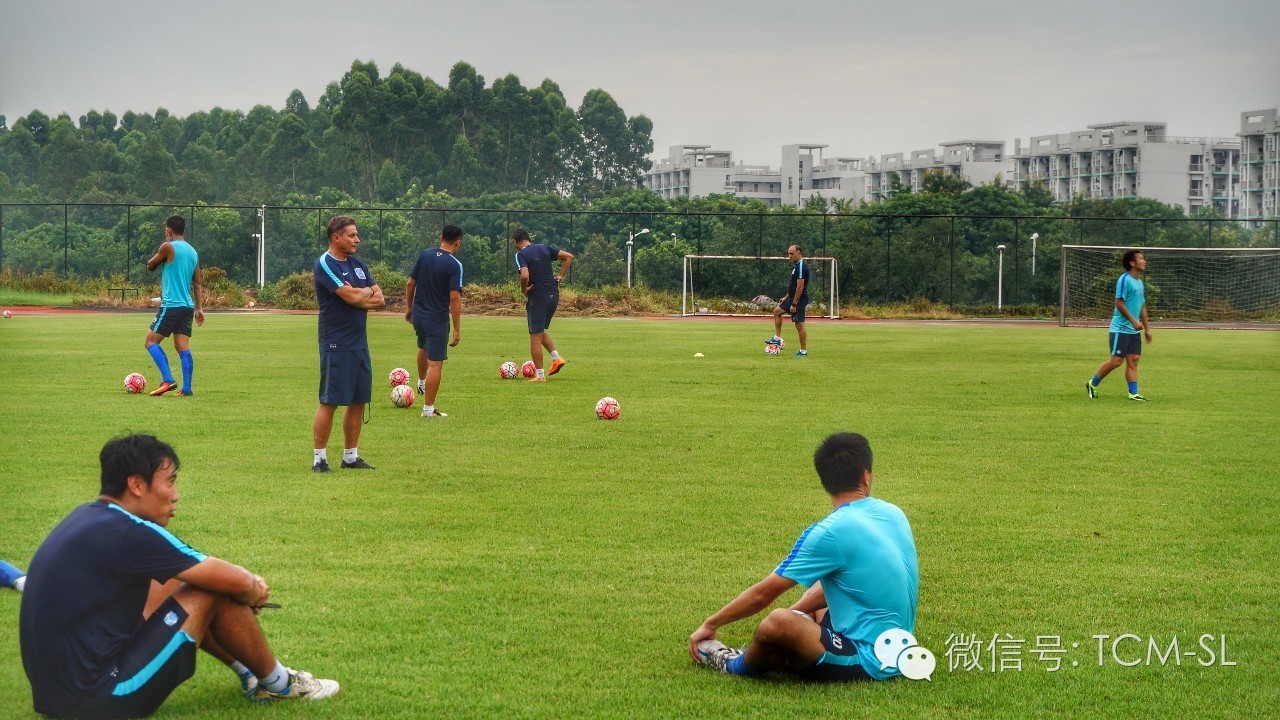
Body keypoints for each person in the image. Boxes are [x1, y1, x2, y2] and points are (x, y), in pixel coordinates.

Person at [19, 434, 339, 719]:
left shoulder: (87, 516)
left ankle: (253, 676)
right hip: (101, 698)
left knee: (179, 579)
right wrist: (252, 591)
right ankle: (280, 685)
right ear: (136, 484)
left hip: (61, 699)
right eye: (169, 481)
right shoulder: (131, 531)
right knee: (209, 588)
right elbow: (235, 581)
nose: (175, 494)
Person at [689, 432, 918, 681]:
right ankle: (789, 642)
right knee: (826, 584)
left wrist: (711, 623)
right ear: (866, 474)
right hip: (897, 643)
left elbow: (763, 594)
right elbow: (851, 582)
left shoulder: (829, 532)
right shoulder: (893, 513)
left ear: (824, 481)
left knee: (778, 623)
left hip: (869, 658)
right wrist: (798, 612)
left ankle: (731, 662)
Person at [313, 215, 384, 472]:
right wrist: (363, 293)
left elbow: (380, 299)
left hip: (359, 343)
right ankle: (319, 459)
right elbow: (353, 295)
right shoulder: (325, 264)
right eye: (352, 235)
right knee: (330, 401)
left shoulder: (357, 265)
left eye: (356, 235)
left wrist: (359, 295)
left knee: (358, 400)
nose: (357, 239)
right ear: (336, 238)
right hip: (336, 343)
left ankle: (350, 457)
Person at [404, 225, 463, 417]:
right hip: (436, 318)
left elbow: (410, 283)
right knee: (435, 364)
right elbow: (454, 298)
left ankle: (421, 384)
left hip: (419, 316)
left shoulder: (425, 255)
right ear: (458, 242)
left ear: (440, 237)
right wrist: (456, 329)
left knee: (423, 347)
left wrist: (409, 308)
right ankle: (428, 410)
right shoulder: (454, 265)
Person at [144, 215, 204, 396]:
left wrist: (164, 245)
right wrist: (199, 308)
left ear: (169, 230)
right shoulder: (193, 252)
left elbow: (150, 266)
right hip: (187, 307)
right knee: (182, 346)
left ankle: (168, 380)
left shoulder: (167, 247)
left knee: (150, 342)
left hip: (171, 305)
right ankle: (187, 389)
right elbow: (198, 284)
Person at [1086, 249, 1152, 402]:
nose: (1144, 261)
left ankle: (1133, 393)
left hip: (1133, 330)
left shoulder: (1140, 282)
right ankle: (1092, 383)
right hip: (1120, 328)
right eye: (1141, 259)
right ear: (1132, 263)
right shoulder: (1124, 279)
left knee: (1134, 359)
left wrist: (1147, 329)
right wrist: (1133, 321)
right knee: (1116, 361)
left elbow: (1142, 306)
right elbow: (1119, 303)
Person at [512, 229, 573, 381]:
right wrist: (560, 276)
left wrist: (523, 289)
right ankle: (556, 358)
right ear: (528, 238)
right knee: (539, 331)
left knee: (534, 337)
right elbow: (569, 257)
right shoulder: (544, 247)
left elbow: (524, 275)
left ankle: (540, 376)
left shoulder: (521, 254)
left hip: (538, 297)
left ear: (516, 241)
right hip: (553, 295)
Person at [769, 245, 810, 357]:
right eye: (788, 254)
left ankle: (803, 351)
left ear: (799, 253)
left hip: (799, 299)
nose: (789, 256)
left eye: (792, 254)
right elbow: (793, 286)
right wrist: (786, 297)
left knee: (799, 325)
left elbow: (800, 287)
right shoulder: (797, 266)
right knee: (777, 311)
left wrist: (794, 304)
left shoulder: (801, 266)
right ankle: (777, 338)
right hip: (792, 298)